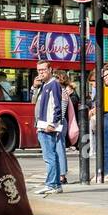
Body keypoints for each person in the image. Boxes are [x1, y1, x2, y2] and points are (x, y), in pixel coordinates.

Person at [33, 60, 65, 195]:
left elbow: (58, 106)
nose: (41, 72)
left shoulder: (54, 85)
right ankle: (56, 184)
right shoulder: (44, 85)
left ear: (50, 69)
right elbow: (34, 101)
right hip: (42, 125)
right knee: (52, 156)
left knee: (49, 157)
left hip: (47, 126)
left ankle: (51, 184)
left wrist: (53, 123)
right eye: (39, 70)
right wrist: (35, 87)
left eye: (44, 69)